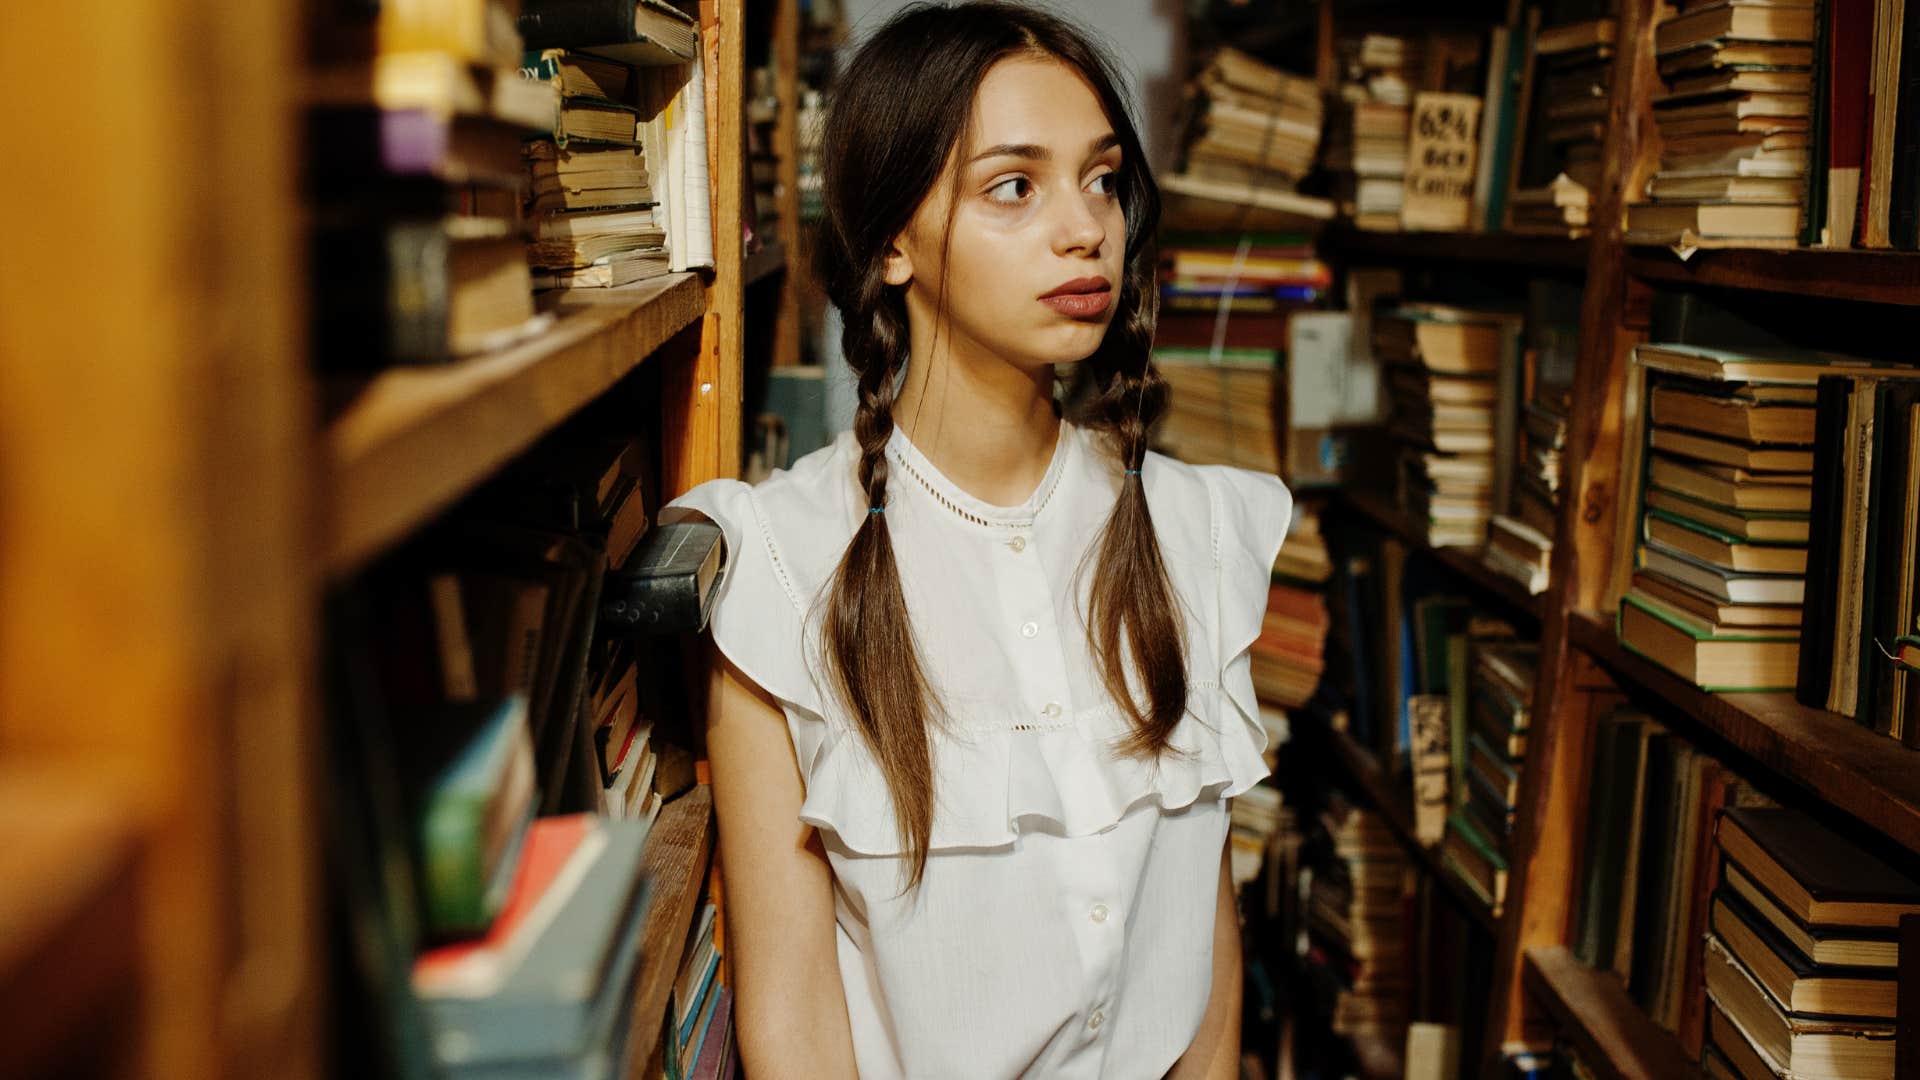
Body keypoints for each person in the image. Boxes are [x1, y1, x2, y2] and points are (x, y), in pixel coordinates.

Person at [661, 4, 1291, 1076]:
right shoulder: (778, 570)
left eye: (1100, 179)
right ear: (894, 241)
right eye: (1015, 186)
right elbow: (796, 1022)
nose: (1085, 227)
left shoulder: (1201, 534)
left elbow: (1202, 951)